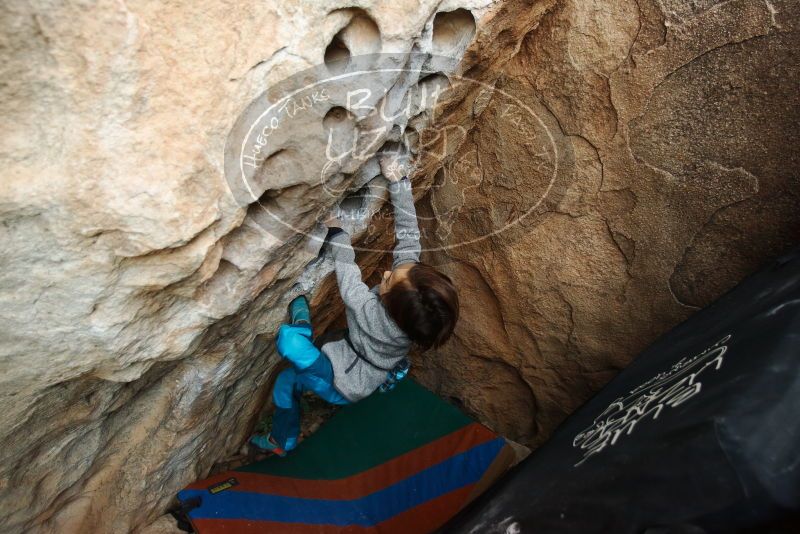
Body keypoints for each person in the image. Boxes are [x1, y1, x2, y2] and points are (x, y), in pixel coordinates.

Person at [249, 153, 460, 456]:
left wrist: (337, 231)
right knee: (289, 379)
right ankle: (287, 436)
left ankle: (283, 439)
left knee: (290, 350)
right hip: (364, 362)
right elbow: (409, 237)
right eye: (397, 272)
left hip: (341, 383)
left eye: (387, 282)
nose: (387, 273)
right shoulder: (410, 295)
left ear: (391, 307)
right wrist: (398, 182)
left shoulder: (368, 311)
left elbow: (347, 272)